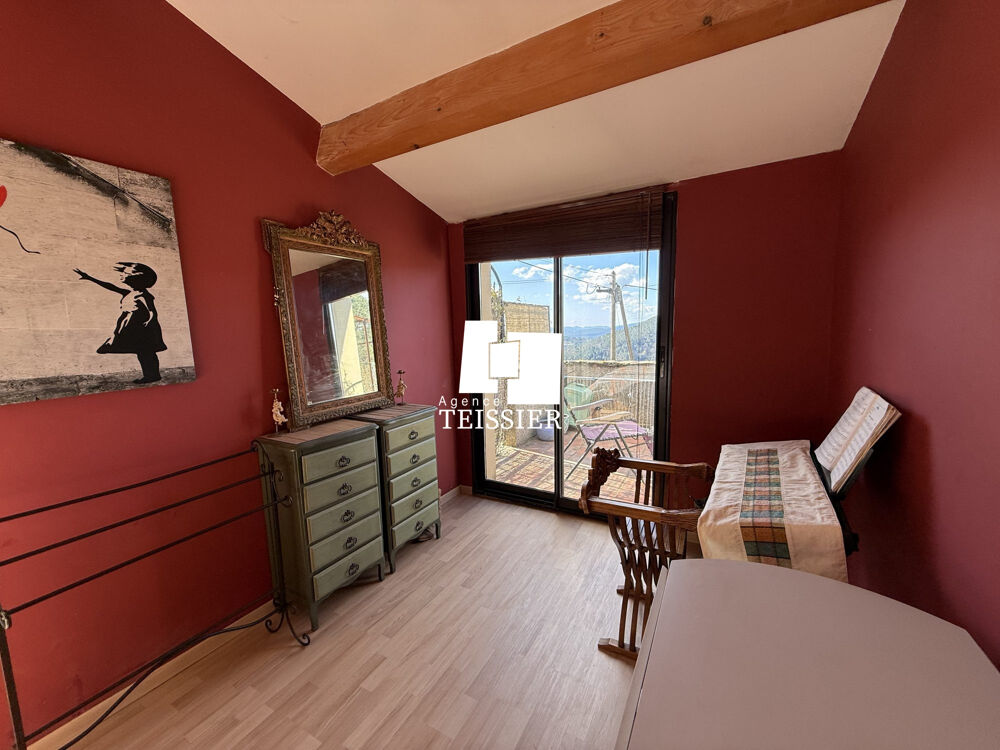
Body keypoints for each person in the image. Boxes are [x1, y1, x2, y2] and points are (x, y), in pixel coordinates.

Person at [74, 262, 166, 383]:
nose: (122, 275)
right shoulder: (128, 293)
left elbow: (152, 311)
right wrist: (89, 277)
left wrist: (149, 322)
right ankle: (151, 375)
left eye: (125, 273)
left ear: (136, 277)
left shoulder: (144, 295)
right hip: (130, 324)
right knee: (142, 352)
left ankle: (152, 376)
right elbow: (110, 286)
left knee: (146, 352)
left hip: (142, 327)